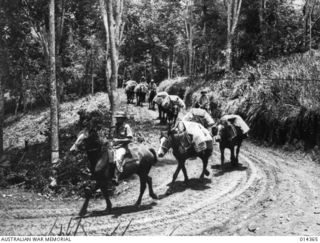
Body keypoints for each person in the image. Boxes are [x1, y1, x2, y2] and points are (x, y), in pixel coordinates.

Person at [112, 111, 133, 184]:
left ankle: (117, 176)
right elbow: (113, 137)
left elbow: (130, 139)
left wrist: (119, 140)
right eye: (117, 118)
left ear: (123, 119)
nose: (118, 120)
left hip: (123, 147)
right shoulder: (115, 127)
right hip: (114, 146)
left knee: (118, 158)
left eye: (120, 118)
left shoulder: (126, 127)